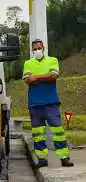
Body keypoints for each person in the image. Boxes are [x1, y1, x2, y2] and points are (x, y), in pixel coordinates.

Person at [23, 39, 74, 168]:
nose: (37, 51)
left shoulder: (52, 60)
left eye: (39, 48)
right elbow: (28, 80)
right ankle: (41, 159)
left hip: (51, 102)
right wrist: (45, 77)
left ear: (43, 48)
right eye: (34, 49)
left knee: (58, 131)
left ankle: (64, 157)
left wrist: (37, 77)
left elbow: (53, 76)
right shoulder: (28, 63)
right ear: (32, 50)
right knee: (38, 134)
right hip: (35, 104)